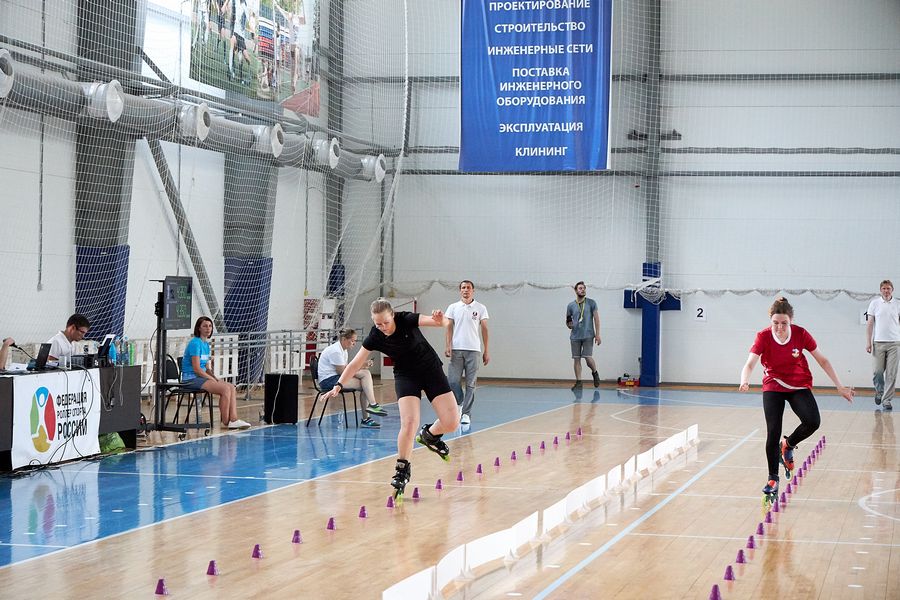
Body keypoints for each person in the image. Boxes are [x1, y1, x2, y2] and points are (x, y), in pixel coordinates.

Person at [320, 298, 460, 498]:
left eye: (386, 322)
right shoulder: (375, 335)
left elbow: (440, 322)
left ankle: (429, 435)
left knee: (452, 423)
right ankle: (402, 469)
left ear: (393, 315)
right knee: (409, 423)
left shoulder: (406, 319)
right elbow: (355, 364)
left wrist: (440, 320)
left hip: (430, 370)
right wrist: (338, 385)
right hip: (406, 375)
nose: (383, 327)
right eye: (378, 324)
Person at [739, 297, 853, 499]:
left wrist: (840, 386)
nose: (779, 328)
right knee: (773, 432)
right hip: (773, 385)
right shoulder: (763, 336)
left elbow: (823, 360)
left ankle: (788, 445)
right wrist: (744, 380)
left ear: (791, 321)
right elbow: (749, 363)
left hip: (798, 385)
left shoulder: (801, 334)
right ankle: (773, 479)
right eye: (775, 323)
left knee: (813, 421)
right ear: (770, 321)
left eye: (784, 323)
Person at [181, 316, 250, 429]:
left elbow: (206, 368)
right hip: (191, 379)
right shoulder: (195, 343)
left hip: (202, 377)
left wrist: (215, 378)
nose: (208, 328)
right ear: (199, 328)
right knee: (225, 389)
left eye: (210, 326)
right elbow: (197, 369)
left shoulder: (206, 345)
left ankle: (233, 419)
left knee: (231, 387)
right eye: (205, 326)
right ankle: (228, 421)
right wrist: (212, 379)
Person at [317, 328, 388, 428]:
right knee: (365, 384)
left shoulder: (343, 351)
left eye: (355, 341)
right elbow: (343, 371)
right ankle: (370, 410)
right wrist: (362, 365)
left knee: (366, 379)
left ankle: (370, 410)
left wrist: (362, 366)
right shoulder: (335, 351)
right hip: (328, 380)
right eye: (352, 341)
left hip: (336, 377)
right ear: (344, 339)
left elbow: (347, 370)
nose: (354, 343)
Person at [444, 280, 490, 426]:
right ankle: (460, 402)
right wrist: (448, 345)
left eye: (468, 288)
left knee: (470, 384)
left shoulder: (480, 308)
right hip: (457, 349)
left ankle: (466, 414)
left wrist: (486, 350)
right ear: (460, 290)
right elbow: (449, 327)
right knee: (452, 381)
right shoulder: (453, 307)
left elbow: (484, 329)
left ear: (473, 290)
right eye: (463, 287)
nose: (466, 290)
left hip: (474, 350)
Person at [866, 279, 900, 411]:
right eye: (884, 289)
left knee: (891, 374)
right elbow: (870, 324)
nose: (886, 291)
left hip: (895, 344)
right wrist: (868, 342)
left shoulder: (897, 304)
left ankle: (887, 400)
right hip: (878, 343)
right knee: (878, 372)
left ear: (892, 290)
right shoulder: (874, 304)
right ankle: (879, 392)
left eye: (888, 288)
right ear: (881, 290)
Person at [565, 281, 601, 388]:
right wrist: (569, 325)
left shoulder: (591, 303)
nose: (583, 290)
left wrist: (598, 334)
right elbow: (568, 322)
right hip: (575, 336)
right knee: (576, 359)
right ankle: (579, 382)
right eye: (580, 288)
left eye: (584, 288)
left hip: (588, 335)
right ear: (576, 291)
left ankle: (595, 372)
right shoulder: (570, 305)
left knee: (587, 357)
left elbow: (596, 319)